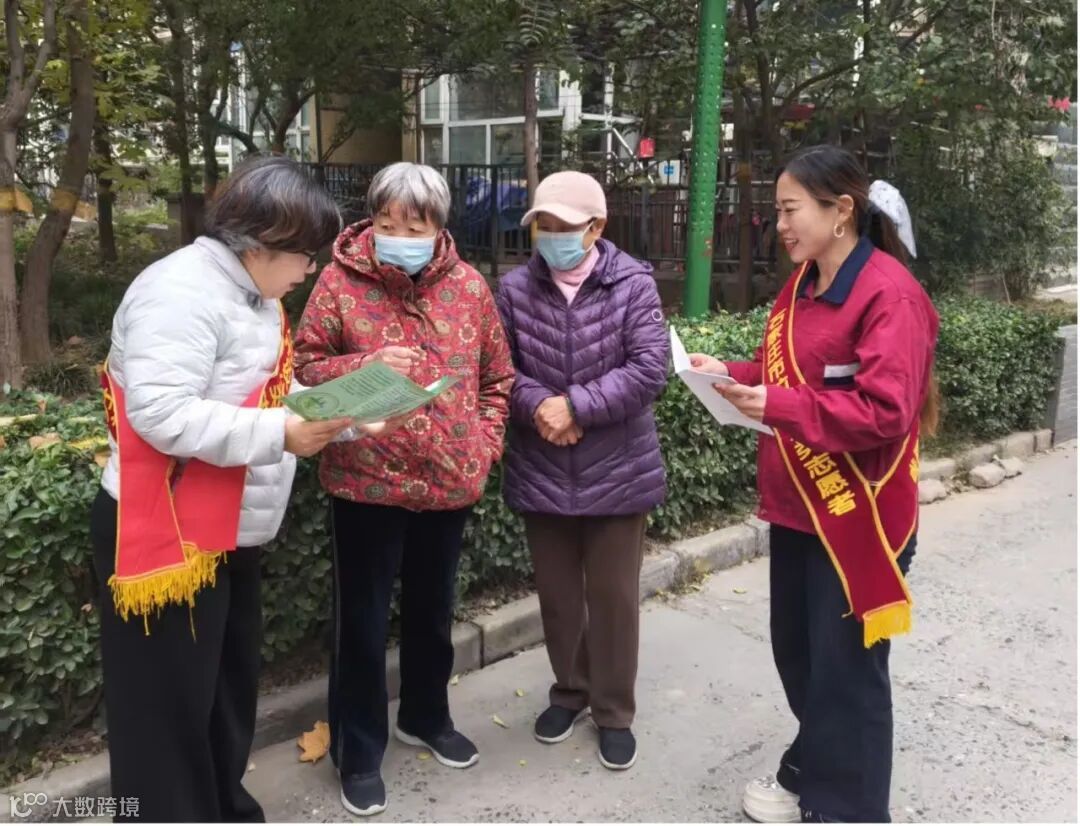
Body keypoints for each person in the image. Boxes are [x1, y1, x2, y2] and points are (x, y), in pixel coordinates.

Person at [90, 155, 364, 822]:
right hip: (166, 530)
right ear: (261, 241)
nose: (310, 270)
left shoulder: (252, 293)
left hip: (225, 524)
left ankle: (221, 803)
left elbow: (267, 390)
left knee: (224, 685)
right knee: (166, 707)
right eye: (305, 254)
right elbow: (161, 414)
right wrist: (281, 433)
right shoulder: (178, 293)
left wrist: (350, 413)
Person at [689, 145, 939, 823]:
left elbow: (885, 411)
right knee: (800, 657)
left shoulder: (890, 294)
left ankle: (848, 809)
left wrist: (777, 405)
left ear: (841, 211)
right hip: (797, 507)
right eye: (777, 211)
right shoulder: (802, 285)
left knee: (848, 673)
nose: (780, 225)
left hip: (860, 514)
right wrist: (731, 374)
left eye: (789, 210)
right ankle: (811, 771)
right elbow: (787, 376)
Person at [293, 162, 514, 817]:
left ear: (439, 227)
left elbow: (497, 377)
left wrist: (483, 445)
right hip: (364, 480)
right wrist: (367, 361)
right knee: (360, 625)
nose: (399, 236)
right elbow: (304, 366)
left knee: (432, 612)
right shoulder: (338, 282)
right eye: (388, 222)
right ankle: (358, 751)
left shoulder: (469, 287)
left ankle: (425, 716)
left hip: (448, 479)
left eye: (414, 227)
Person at [495, 171, 669, 771]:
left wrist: (575, 407)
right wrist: (541, 407)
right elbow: (500, 369)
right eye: (542, 225)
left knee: (614, 598)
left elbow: (649, 369)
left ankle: (613, 710)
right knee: (559, 596)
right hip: (542, 463)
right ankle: (569, 691)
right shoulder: (514, 289)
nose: (551, 236)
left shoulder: (633, 284)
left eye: (564, 226)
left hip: (618, 468)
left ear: (596, 228)